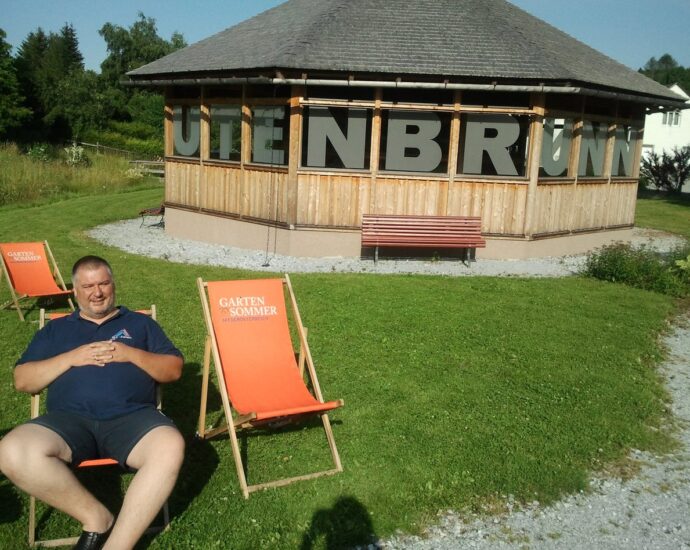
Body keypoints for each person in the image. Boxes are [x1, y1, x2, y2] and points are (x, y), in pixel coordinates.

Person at [0, 255, 185, 550]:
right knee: (10, 451)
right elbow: (23, 380)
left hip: (133, 418)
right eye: (87, 286)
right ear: (75, 291)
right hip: (68, 421)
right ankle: (97, 518)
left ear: (113, 285)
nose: (96, 293)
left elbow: (173, 370)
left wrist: (129, 353)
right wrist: (72, 358)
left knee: (170, 445)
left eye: (103, 284)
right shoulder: (56, 330)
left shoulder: (140, 324)